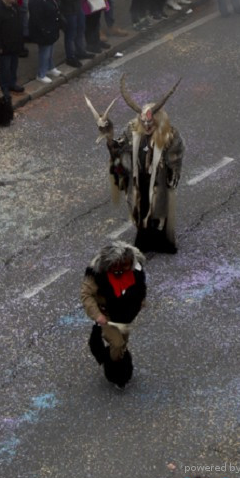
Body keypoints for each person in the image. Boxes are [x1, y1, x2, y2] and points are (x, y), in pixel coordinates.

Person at [88, 77, 185, 253]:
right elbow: (121, 149)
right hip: (139, 179)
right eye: (144, 122)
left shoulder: (170, 135)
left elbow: (175, 156)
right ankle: (144, 242)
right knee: (141, 209)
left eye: (150, 122)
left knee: (159, 210)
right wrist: (109, 137)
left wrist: (169, 169)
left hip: (159, 180)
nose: (147, 126)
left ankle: (163, 243)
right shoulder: (132, 130)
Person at [80, 242, 146, 388]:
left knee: (123, 343)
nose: (119, 271)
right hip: (106, 316)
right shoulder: (96, 274)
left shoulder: (135, 269)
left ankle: (119, 362)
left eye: (124, 266)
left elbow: (140, 289)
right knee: (117, 344)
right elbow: (86, 294)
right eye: (115, 267)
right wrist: (97, 316)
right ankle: (116, 372)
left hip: (125, 315)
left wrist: (139, 303)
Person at [28, 0, 62, 83]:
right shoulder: (36, 0)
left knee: (50, 49)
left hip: (51, 28)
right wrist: (45, 30)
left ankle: (50, 67)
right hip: (43, 31)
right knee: (45, 52)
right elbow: (37, 19)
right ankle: (41, 74)